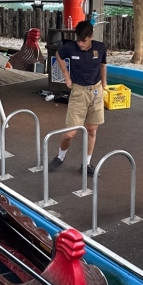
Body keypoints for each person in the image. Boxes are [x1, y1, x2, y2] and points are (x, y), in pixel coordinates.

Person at [50, 20, 107, 176]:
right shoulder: (70, 47)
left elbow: (102, 65)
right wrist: (66, 76)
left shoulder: (100, 47)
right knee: (70, 133)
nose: (81, 44)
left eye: (84, 40)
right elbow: (58, 55)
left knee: (91, 130)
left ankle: (87, 163)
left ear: (91, 37)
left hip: (96, 92)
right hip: (78, 92)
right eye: (79, 40)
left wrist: (104, 83)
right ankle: (60, 157)